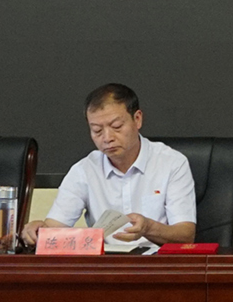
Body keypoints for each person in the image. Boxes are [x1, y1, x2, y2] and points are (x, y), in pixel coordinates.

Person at [33, 83, 199, 246]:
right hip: (104, 260)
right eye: (97, 130)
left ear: (137, 119)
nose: (107, 138)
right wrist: (38, 230)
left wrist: (148, 227)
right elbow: (54, 228)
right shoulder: (84, 170)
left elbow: (186, 234)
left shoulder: (172, 163)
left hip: (155, 259)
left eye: (116, 127)